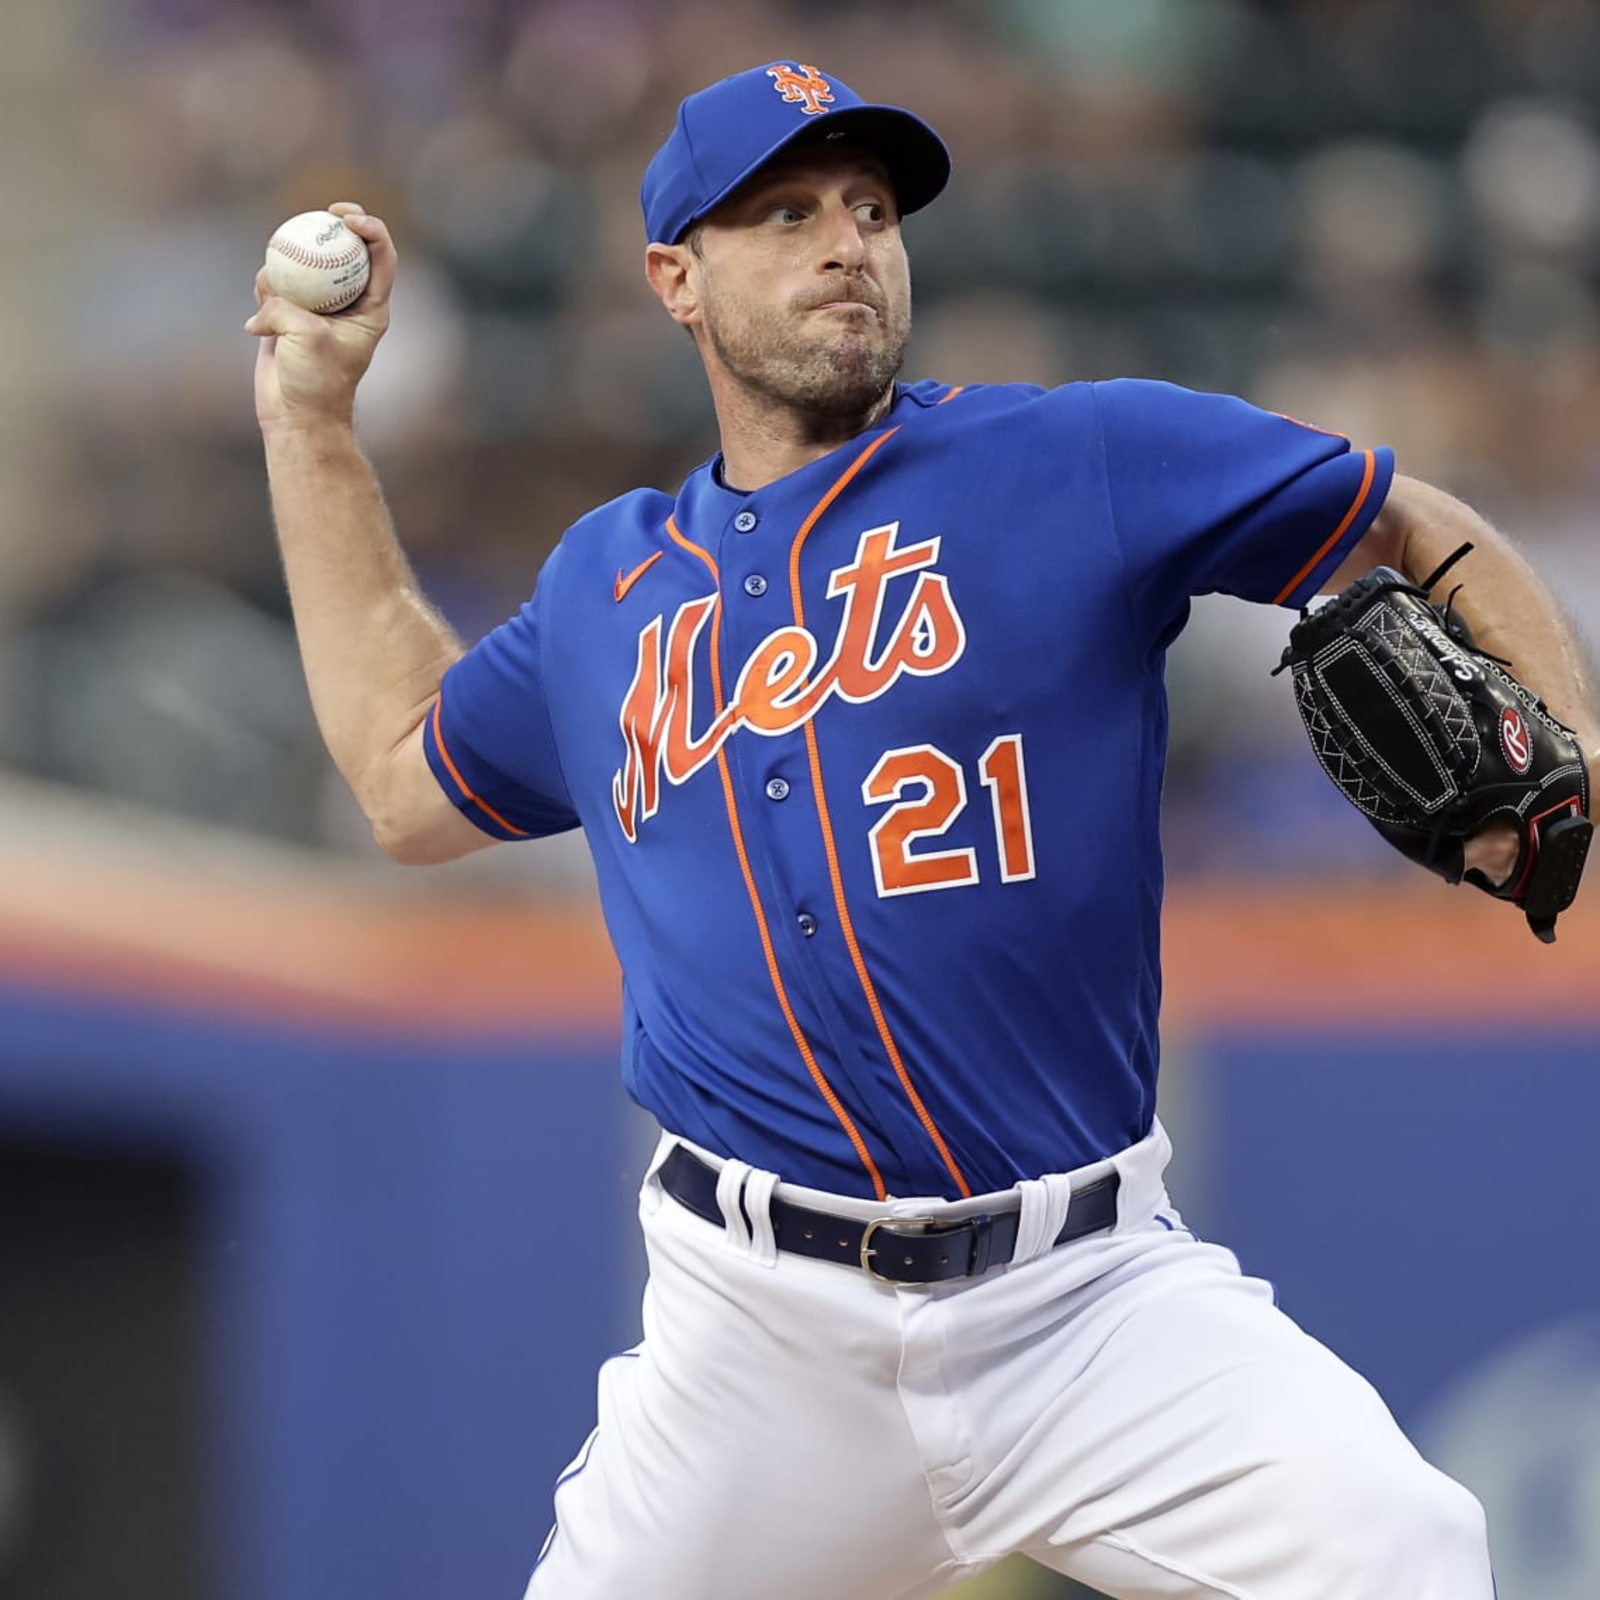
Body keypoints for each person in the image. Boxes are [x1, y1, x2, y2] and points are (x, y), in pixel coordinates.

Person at [246, 60, 1596, 1600]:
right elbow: (405, 783)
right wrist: (309, 416)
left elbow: (1421, 523)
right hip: (756, 1336)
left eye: (873, 208)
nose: (848, 242)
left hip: (1089, 1299)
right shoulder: (605, 591)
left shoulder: (1074, 460)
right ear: (674, 280)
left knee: (1410, 1553)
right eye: (788, 212)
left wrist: (1580, 746)